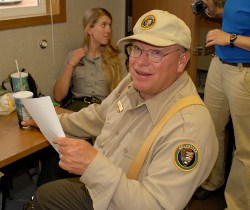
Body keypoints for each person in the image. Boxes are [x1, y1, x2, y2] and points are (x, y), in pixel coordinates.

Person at [22, 10, 218, 210]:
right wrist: (50, 121)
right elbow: (100, 116)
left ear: (182, 61)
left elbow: (155, 205)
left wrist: (94, 166)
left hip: (124, 201)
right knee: (43, 196)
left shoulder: (189, 127)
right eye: (137, 49)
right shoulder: (133, 83)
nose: (141, 62)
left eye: (156, 52)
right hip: (100, 189)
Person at [193, 0, 250, 209]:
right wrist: (216, 11)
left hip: (243, 73)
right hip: (219, 66)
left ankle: (239, 205)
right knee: (211, 128)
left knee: (245, 147)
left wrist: (230, 38)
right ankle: (213, 181)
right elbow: (241, 12)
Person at [53, 7, 127, 112]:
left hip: (101, 111)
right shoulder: (74, 56)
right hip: (76, 109)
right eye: (104, 25)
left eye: (110, 25)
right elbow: (58, 96)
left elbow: (126, 93)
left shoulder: (118, 57)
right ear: (90, 29)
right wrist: (71, 65)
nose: (109, 30)